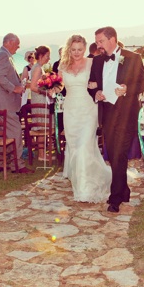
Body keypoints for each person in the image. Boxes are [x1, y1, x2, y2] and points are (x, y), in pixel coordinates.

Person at [88, 26, 144, 213]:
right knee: (114, 153)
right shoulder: (97, 61)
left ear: (112, 39)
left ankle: (115, 198)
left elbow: (143, 83)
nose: (98, 45)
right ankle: (124, 190)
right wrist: (95, 92)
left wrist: (127, 89)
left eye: (101, 41)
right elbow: (91, 85)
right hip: (106, 114)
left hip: (126, 113)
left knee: (118, 153)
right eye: (97, 42)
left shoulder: (133, 58)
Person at [55, 35, 111, 202]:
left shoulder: (92, 62)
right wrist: (51, 88)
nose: (77, 53)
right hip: (70, 110)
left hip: (88, 109)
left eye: (80, 49)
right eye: (73, 50)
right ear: (68, 49)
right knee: (75, 146)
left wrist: (96, 86)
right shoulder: (62, 65)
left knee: (83, 146)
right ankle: (82, 178)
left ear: (85, 48)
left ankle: (84, 189)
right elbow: (60, 85)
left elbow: (102, 80)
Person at [0, 33, 33, 173]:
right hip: (4, 103)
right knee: (16, 132)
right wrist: (15, 88)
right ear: (10, 42)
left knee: (4, 133)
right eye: (17, 44)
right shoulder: (3, 55)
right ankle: (18, 165)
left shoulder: (0, 54)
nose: (18, 47)